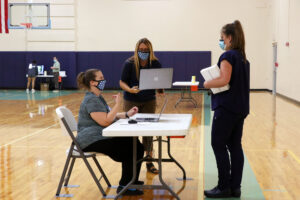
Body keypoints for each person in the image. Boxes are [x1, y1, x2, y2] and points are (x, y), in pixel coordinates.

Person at [77, 69, 144, 196]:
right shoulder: (91, 100)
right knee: (131, 147)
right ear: (92, 82)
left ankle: (131, 180)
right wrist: (118, 104)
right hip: (90, 140)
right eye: (101, 78)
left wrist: (126, 114)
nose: (103, 80)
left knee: (135, 144)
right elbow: (106, 121)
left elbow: (108, 115)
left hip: (98, 136)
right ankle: (125, 186)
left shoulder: (97, 97)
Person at [203, 20, 250, 198]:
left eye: (222, 38)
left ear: (229, 38)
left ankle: (223, 186)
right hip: (240, 109)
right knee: (235, 146)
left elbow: (224, 79)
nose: (221, 41)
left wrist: (207, 83)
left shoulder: (228, 56)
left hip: (227, 108)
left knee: (218, 144)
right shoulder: (244, 58)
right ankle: (235, 187)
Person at [119, 38, 164, 174]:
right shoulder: (129, 63)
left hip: (149, 100)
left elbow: (159, 81)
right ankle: (131, 160)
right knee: (131, 131)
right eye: (141, 50)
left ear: (150, 50)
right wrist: (130, 90)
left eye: (146, 50)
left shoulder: (155, 63)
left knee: (148, 132)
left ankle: (149, 162)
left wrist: (161, 89)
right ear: (137, 50)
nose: (143, 52)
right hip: (131, 100)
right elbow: (122, 82)